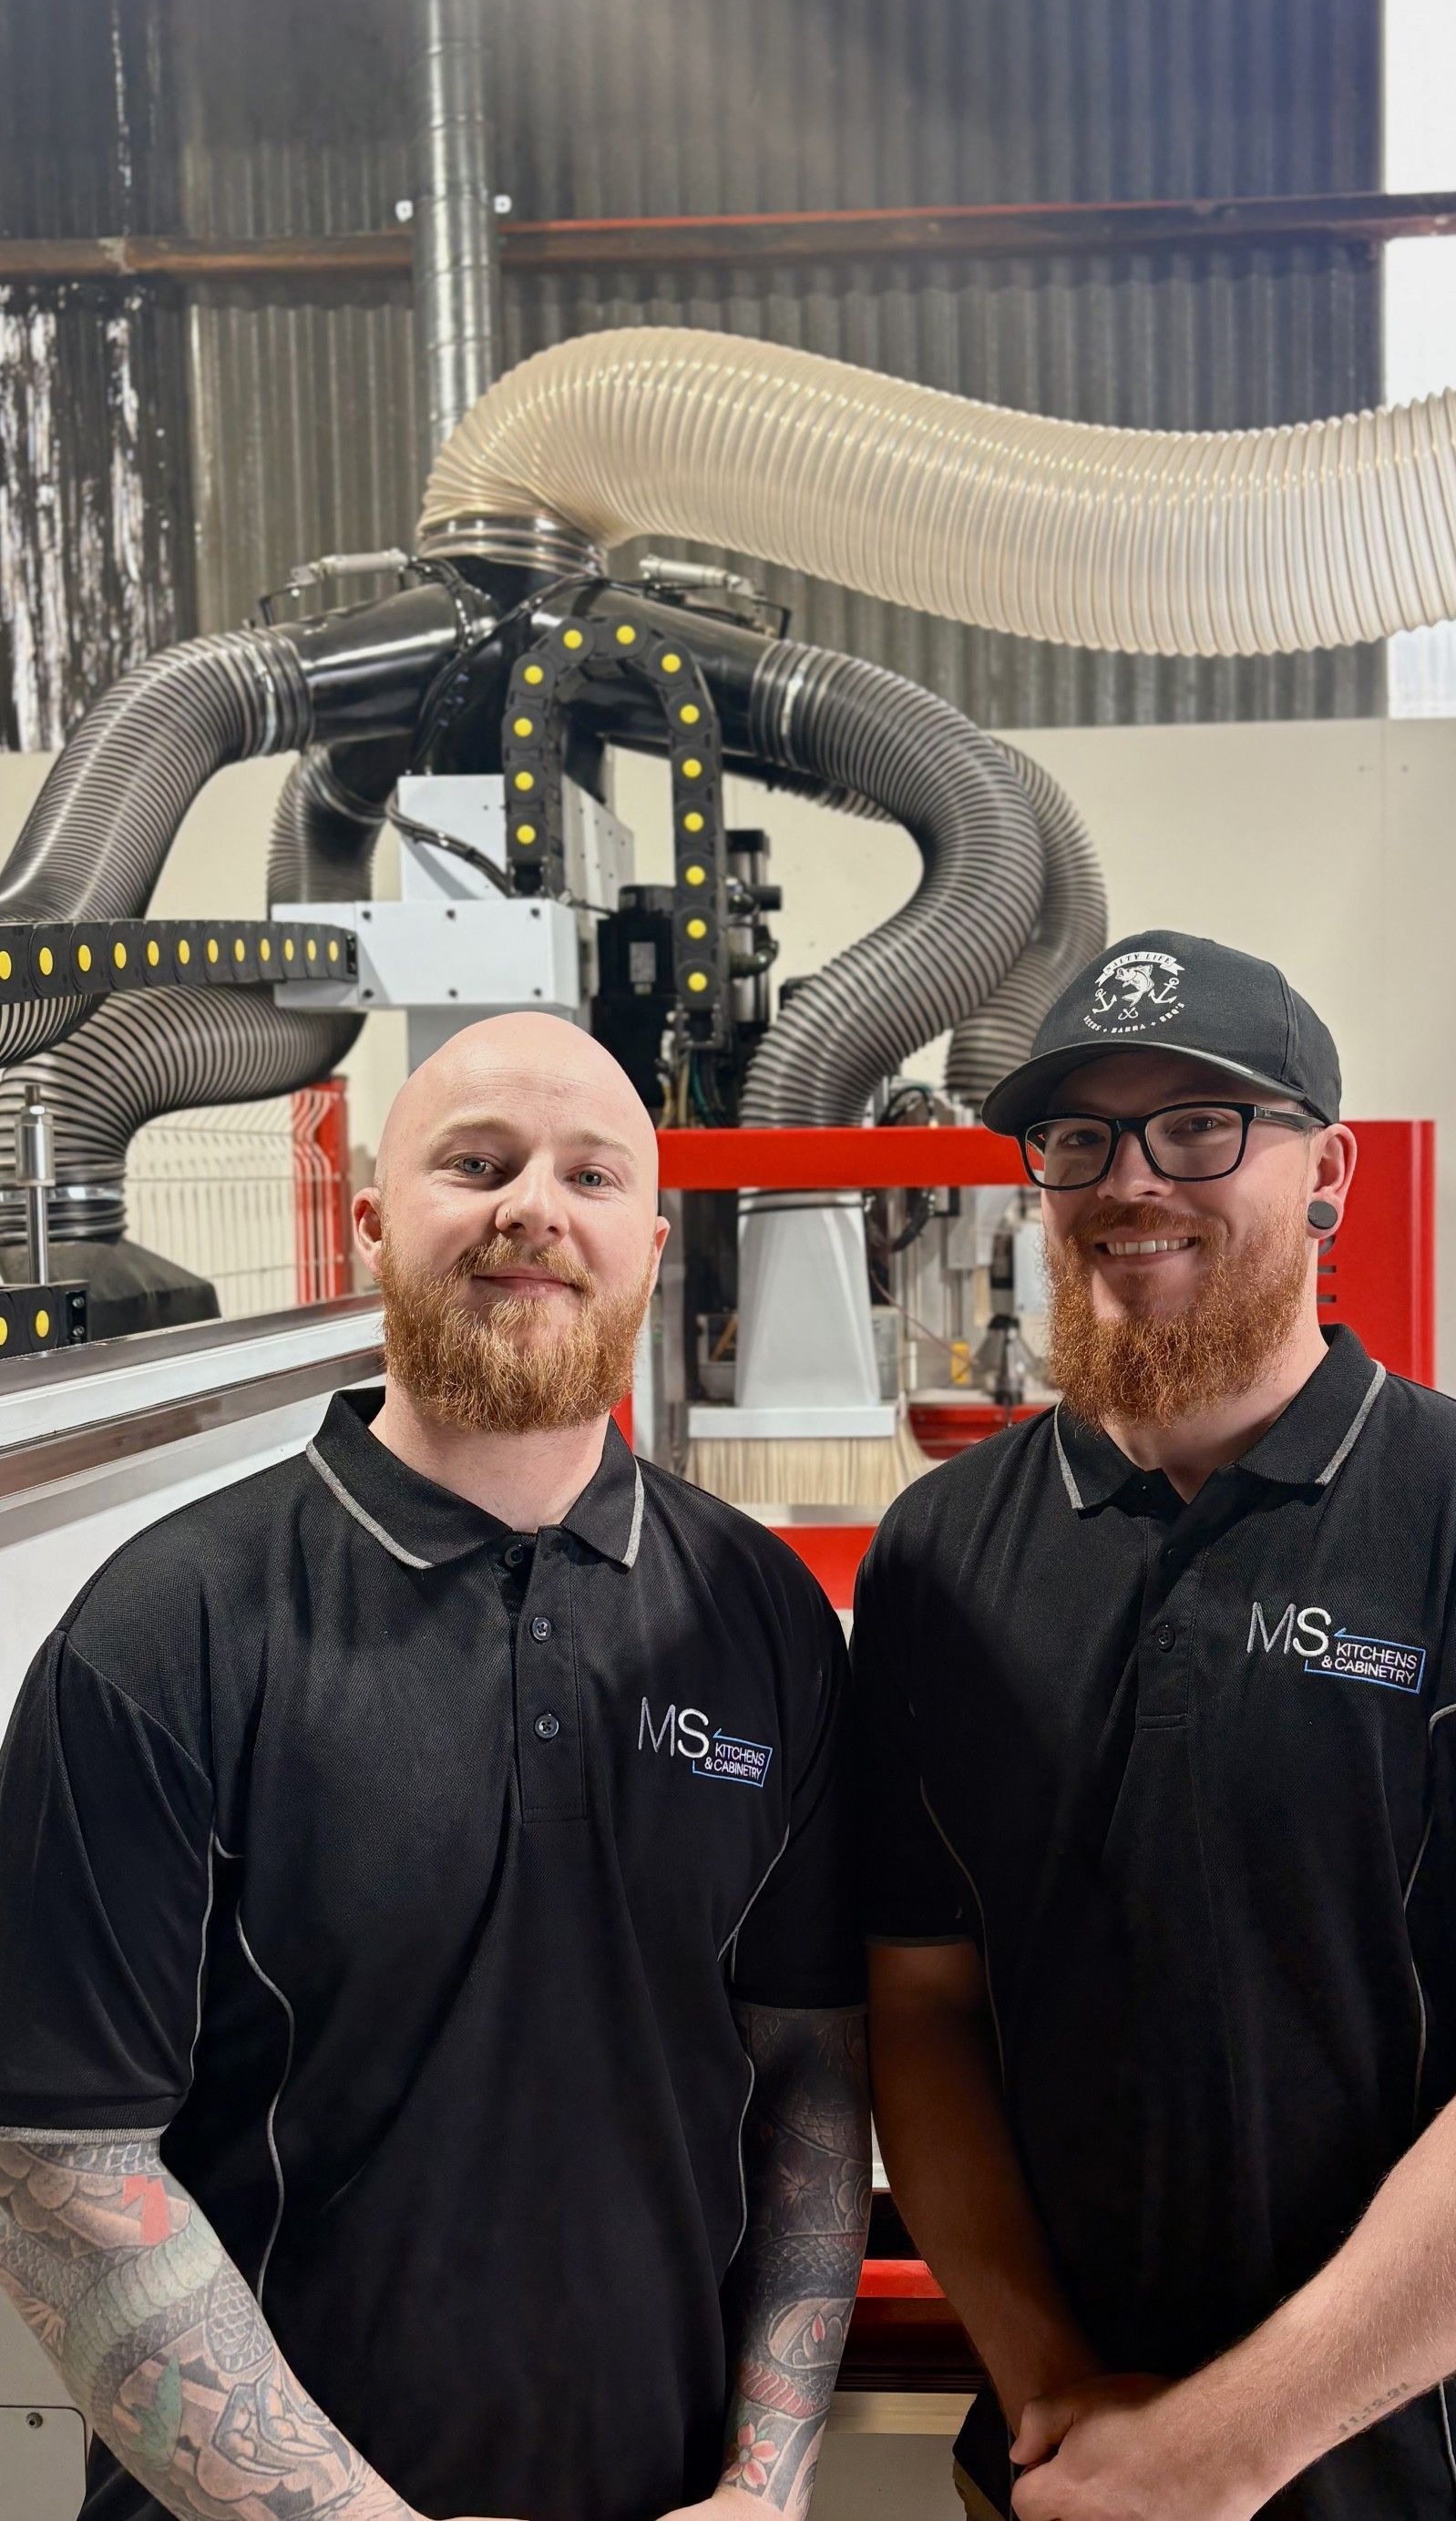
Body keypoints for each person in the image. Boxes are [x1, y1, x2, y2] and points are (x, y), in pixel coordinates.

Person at [855, 930, 1456, 2521]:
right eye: (1080, 1137)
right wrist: (1049, 2389)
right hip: (1068, 2473)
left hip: (1441, 2480)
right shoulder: (941, 1555)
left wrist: (1221, 2448)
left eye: (1199, 1125)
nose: (1132, 1180)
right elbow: (926, 2008)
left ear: (1332, 1172)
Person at [0, 1011, 868, 2521]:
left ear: (651, 1248)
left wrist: (763, 2478)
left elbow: (807, 2068)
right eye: (477, 1163)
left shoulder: (763, 1616)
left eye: (591, 1176)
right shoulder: (169, 1627)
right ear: (370, 1225)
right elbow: (60, 2160)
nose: (535, 1206)